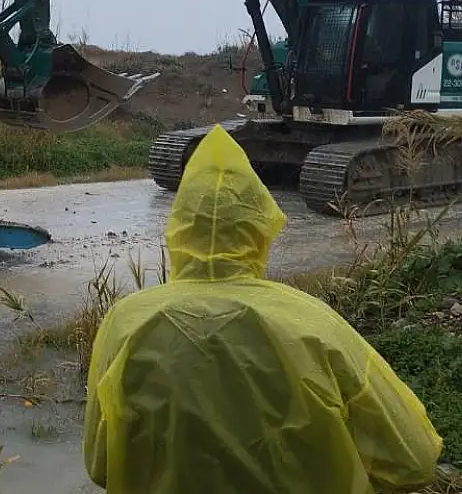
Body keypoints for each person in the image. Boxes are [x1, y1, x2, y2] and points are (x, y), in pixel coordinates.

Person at [81, 124, 443, 494]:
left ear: (178, 230)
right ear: (261, 229)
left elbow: (99, 465)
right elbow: (415, 461)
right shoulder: (314, 324)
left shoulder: (125, 323)